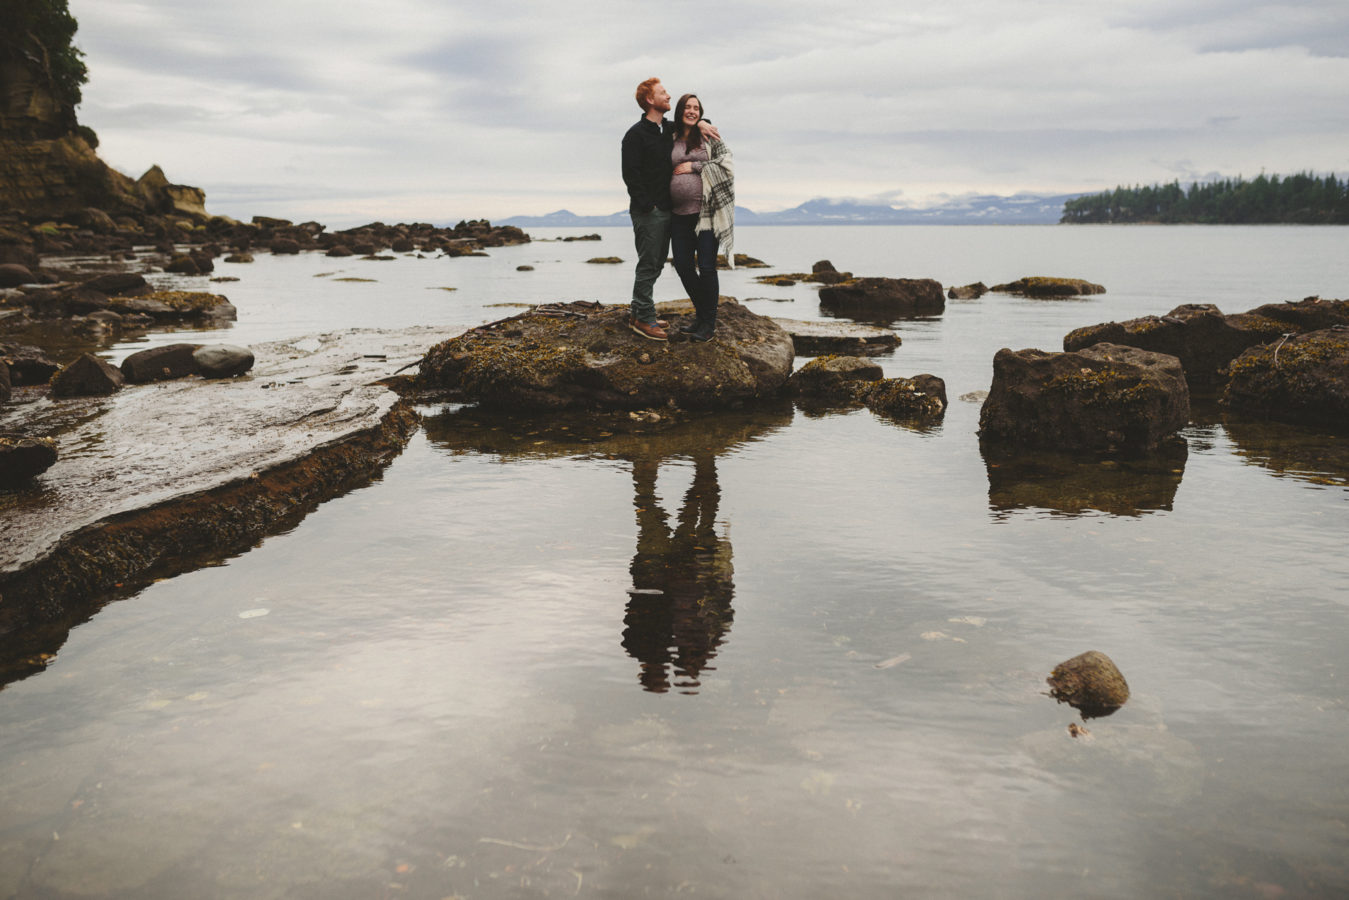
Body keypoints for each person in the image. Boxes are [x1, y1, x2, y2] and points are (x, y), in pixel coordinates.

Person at [620, 77, 718, 342]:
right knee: (650, 263)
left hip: (670, 211)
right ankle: (643, 319)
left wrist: (702, 121)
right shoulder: (635, 135)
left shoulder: (667, 129)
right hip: (649, 211)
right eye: (663, 93)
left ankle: (641, 310)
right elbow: (630, 175)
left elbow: (691, 122)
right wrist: (647, 206)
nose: (669, 96)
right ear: (650, 100)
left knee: (658, 262)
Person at [669, 92, 734, 342]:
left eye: (696, 108)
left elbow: (727, 165)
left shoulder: (709, 137)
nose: (692, 111)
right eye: (688, 107)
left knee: (707, 267)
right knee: (684, 266)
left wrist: (694, 167)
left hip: (706, 214)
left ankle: (708, 324)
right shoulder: (671, 136)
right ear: (680, 110)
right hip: (679, 215)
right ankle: (703, 315)